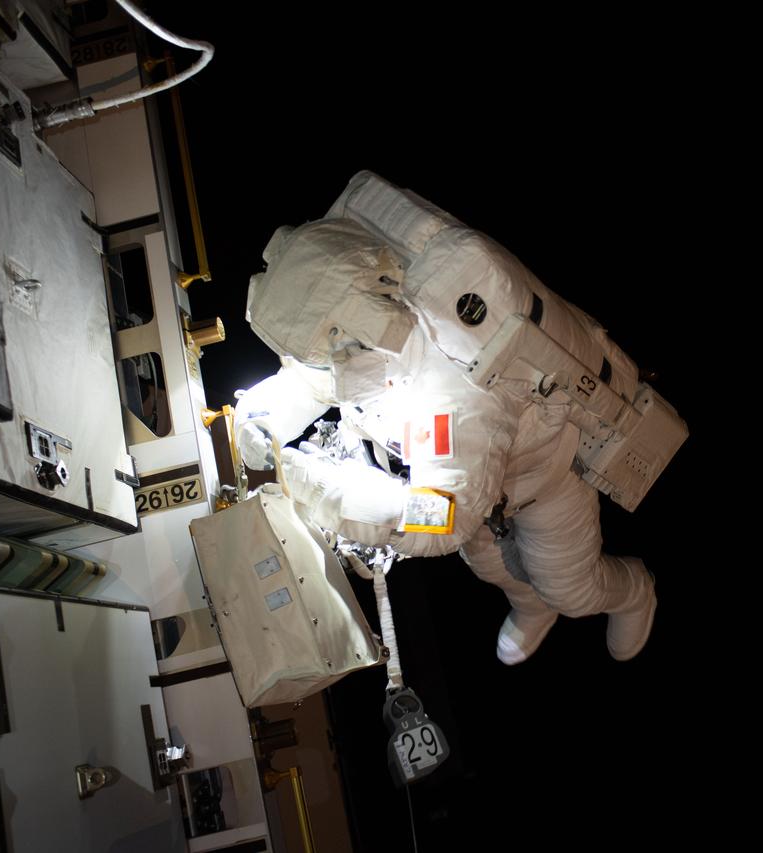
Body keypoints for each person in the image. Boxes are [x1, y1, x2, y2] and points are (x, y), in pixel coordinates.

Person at [235, 173, 678, 664]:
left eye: (328, 356)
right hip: (486, 493)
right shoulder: (361, 340)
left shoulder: (456, 392)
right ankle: (532, 608)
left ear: (360, 331)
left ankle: (634, 591)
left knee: (569, 590)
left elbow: (438, 518)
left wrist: (318, 489)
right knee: (493, 568)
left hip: (546, 485)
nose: (322, 366)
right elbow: (312, 379)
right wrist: (261, 419)